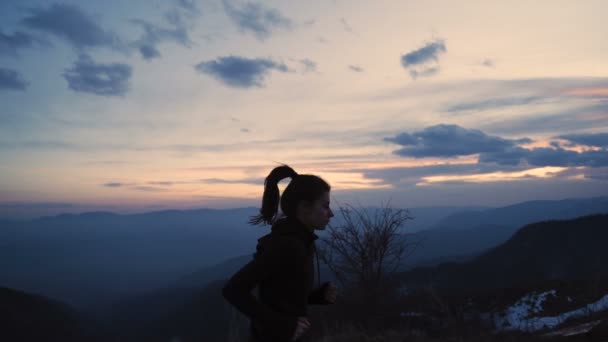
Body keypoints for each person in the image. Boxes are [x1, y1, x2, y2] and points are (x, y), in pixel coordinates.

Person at [222, 164, 338, 342]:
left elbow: (280, 294)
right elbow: (234, 290)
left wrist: (316, 296)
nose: (331, 213)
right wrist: (279, 324)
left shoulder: (300, 241)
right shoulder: (287, 245)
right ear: (305, 207)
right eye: (325, 206)